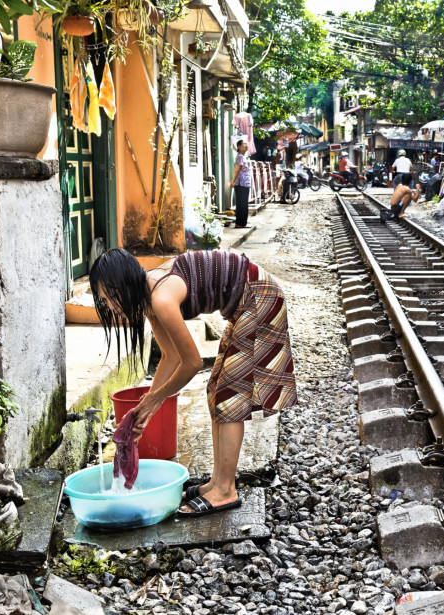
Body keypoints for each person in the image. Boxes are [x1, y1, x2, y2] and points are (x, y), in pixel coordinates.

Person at [89, 249, 297, 517]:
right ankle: (218, 481)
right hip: (246, 302)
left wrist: (157, 398)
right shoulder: (149, 297)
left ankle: (225, 490)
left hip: (260, 297)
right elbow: (170, 356)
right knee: (217, 391)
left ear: (122, 286)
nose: (112, 308)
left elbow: (192, 363)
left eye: (109, 298)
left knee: (229, 396)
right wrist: (146, 408)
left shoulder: (161, 298)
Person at [231, 139, 251, 228]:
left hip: (244, 184)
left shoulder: (242, 156)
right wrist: (233, 181)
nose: (246, 146)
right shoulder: (240, 157)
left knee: (243, 204)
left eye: (246, 144)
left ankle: (242, 223)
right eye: (244, 144)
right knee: (241, 204)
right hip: (240, 183)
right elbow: (237, 169)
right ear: (239, 146)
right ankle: (239, 223)